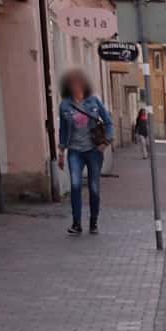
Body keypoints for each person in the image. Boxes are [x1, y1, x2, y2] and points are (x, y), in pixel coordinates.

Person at [56, 69, 112, 236]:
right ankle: (76, 223)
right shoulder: (65, 105)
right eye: (72, 82)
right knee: (75, 185)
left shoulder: (94, 101)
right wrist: (61, 151)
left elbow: (108, 123)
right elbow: (63, 130)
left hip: (94, 151)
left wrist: (106, 142)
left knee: (94, 187)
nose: (76, 85)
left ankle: (93, 222)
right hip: (75, 151)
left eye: (78, 82)